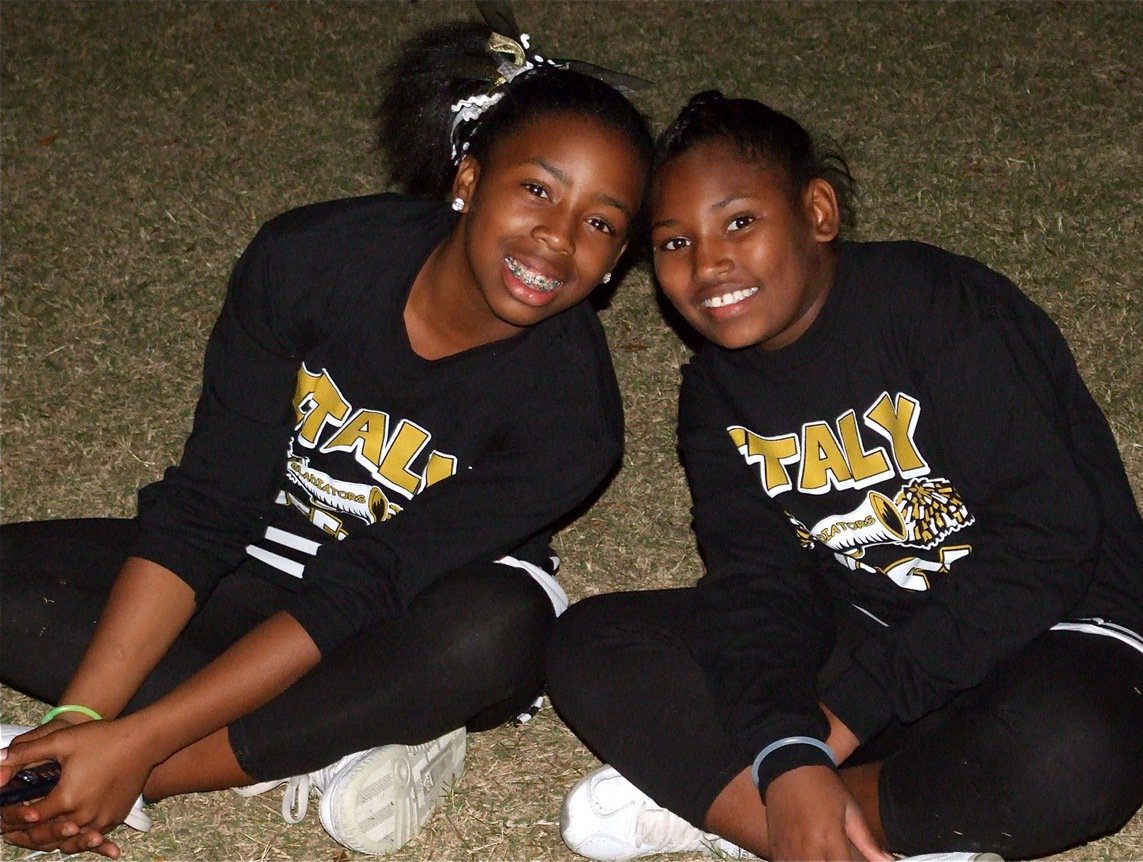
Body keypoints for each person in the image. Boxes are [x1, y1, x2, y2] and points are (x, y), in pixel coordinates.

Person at [0, 11, 653, 859]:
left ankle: (189, 758)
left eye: (600, 223)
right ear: (468, 179)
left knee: (499, 629)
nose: (559, 240)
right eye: (538, 188)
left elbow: (366, 585)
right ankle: (328, 740)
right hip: (254, 564)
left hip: (404, 616)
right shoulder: (308, 259)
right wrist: (81, 718)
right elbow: (207, 506)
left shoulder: (576, 419)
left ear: (617, 260)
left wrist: (131, 756)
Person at [546, 92, 1143, 862]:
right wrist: (791, 749)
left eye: (740, 222)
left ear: (818, 212)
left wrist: (842, 720)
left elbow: (1050, 538)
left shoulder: (935, 308)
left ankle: (740, 810)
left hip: (1063, 631)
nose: (708, 260)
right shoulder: (713, 395)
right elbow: (757, 581)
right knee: (591, 644)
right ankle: (810, 819)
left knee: (1071, 749)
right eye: (674, 242)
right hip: (880, 638)